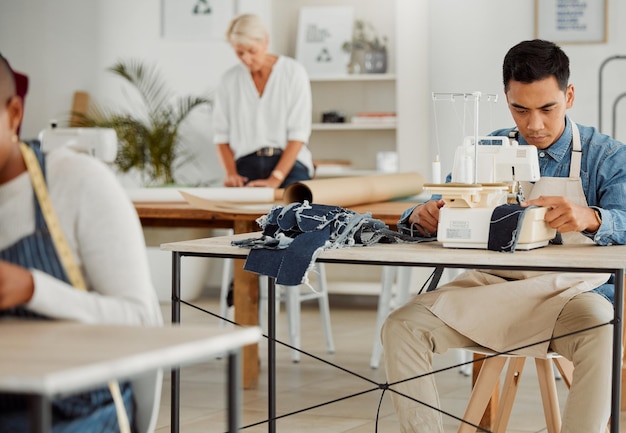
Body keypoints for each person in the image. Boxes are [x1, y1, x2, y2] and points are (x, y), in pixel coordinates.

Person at [382, 39, 626, 433]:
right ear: (506, 98)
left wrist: (593, 218)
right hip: (492, 289)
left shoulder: (607, 157)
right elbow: (440, 205)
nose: (534, 125)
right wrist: (422, 216)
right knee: (401, 326)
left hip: (572, 296)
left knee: (602, 327)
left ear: (570, 95)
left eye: (547, 108)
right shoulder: (487, 150)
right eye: (520, 109)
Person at [0, 54, 163, 431]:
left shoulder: (78, 182)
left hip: (78, 413)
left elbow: (142, 324)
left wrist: (31, 288)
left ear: (13, 114)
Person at [213, 13, 314, 188]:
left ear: (266, 42)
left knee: (295, 210)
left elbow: (298, 134)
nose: (246, 59)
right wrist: (231, 174)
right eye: (239, 53)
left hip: (289, 165)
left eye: (252, 51)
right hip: (246, 164)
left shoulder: (294, 73)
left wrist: (275, 178)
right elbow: (221, 136)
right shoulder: (228, 80)